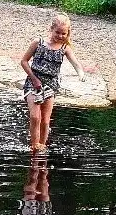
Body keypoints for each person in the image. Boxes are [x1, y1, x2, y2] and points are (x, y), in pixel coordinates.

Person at [18, 13, 97, 153]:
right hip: (33, 82)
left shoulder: (64, 48)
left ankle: (42, 146)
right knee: (35, 116)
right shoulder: (38, 42)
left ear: (68, 33)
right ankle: (34, 146)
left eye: (63, 33)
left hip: (51, 85)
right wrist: (34, 79)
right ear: (51, 29)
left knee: (45, 120)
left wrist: (81, 74)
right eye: (58, 32)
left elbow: (76, 63)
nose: (60, 36)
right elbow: (24, 61)